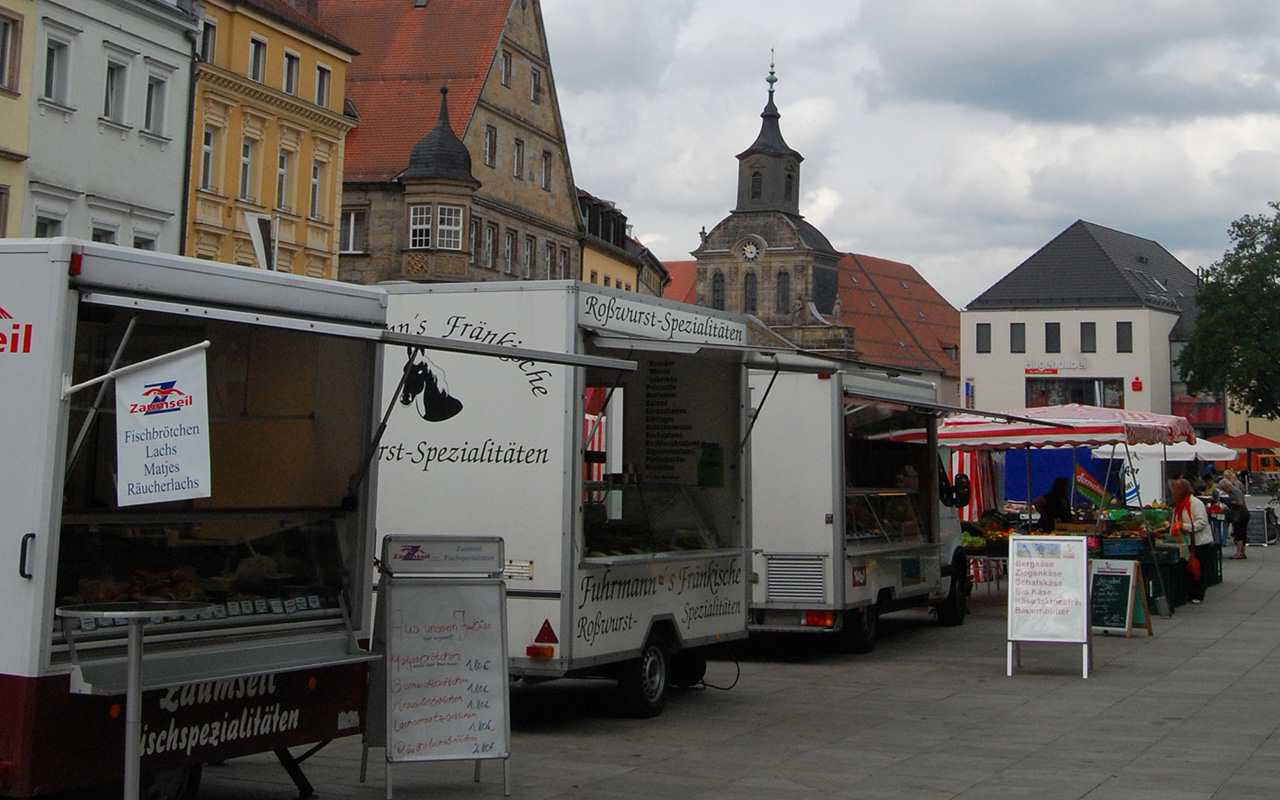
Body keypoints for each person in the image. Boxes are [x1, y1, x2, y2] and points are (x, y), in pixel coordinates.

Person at [1171, 478, 1212, 604]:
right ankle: (1189, 592)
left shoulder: (1195, 503)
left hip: (1200, 542)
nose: (1173, 492)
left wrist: (1184, 526)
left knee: (1198, 568)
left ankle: (1198, 594)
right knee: (1187, 568)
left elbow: (1202, 522)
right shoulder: (1178, 506)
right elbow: (1174, 521)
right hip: (1185, 542)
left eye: (1176, 490)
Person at [1219, 478, 1250, 559]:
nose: (1224, 491)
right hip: (1243, 514)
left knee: (1239, 533)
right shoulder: (1235, 490)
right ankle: (1242, 552)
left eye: (1224, 489)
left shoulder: (1235, 491)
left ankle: (1239, 553)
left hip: (1240, 514)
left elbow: (1240, 502)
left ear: (1227, 486)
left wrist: (1229, 501)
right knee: (1242, 534)